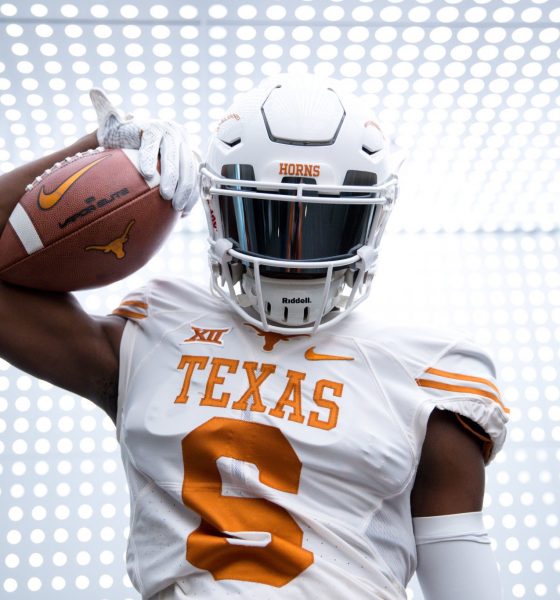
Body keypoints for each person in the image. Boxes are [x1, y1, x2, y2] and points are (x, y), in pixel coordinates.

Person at [0, 75, 508, 599]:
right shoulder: (158, 326)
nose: (292, 249)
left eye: (322, 224)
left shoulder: (428, 370)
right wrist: (102, 151)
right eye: (266, 215)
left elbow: (461, 576)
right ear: (218, 209)